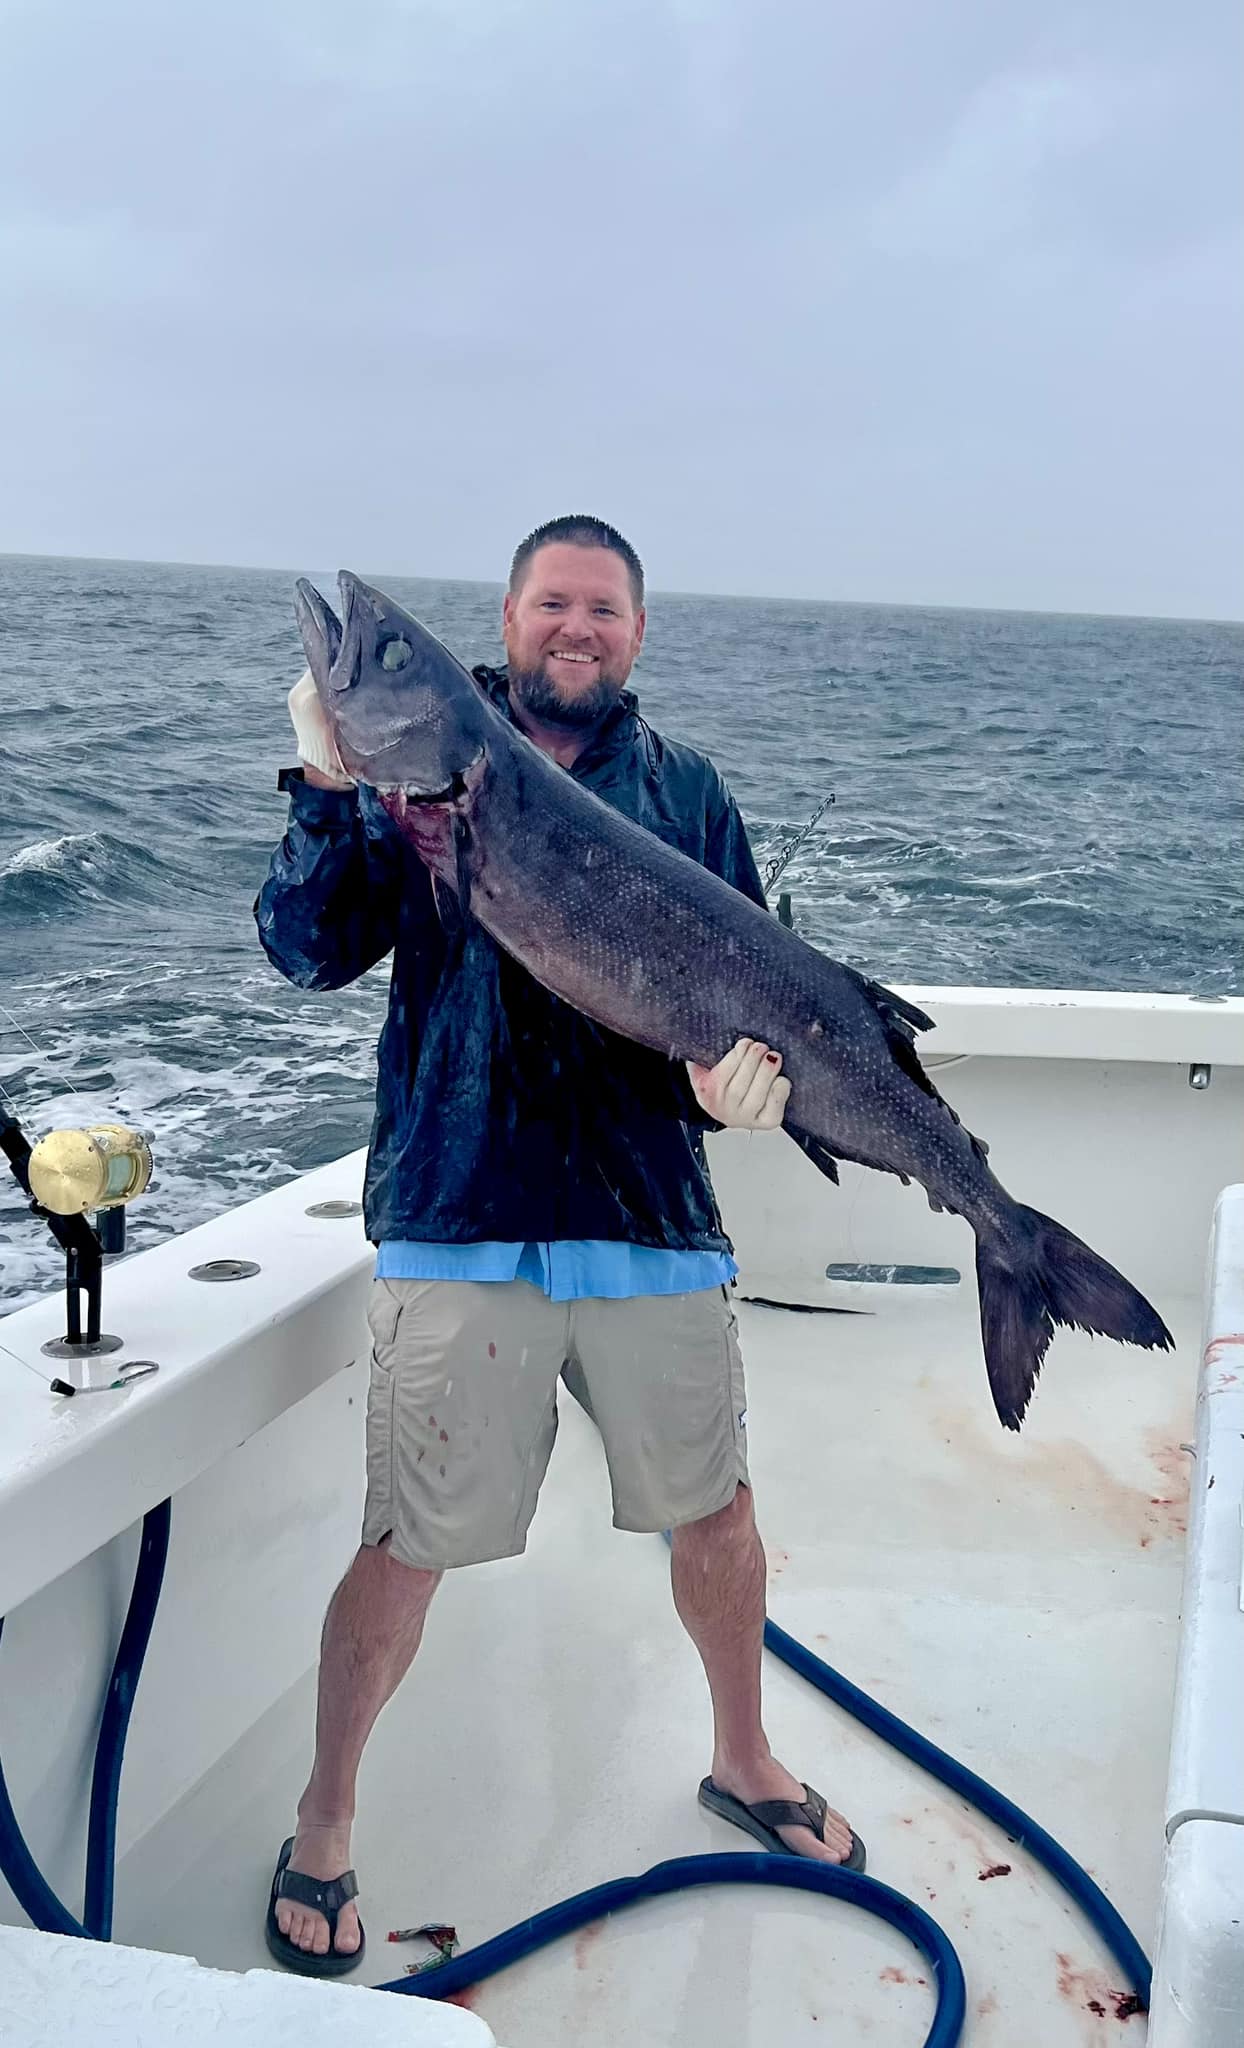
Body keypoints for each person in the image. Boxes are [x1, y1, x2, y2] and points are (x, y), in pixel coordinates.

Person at [253, 514, 863, 1976]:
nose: (574, 628)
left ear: (636, 634)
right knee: (405, 1546)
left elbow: (736, 993)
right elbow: (302, 947)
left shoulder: (691, 793)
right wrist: (333, 794)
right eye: (550, 605)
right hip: (462, 1215)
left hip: (650, 1221)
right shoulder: (411, 784)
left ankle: (745, 1760)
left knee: (716, 1521)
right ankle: (326, 1822)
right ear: (509, 624)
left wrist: (737, 1092)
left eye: (603, 609)